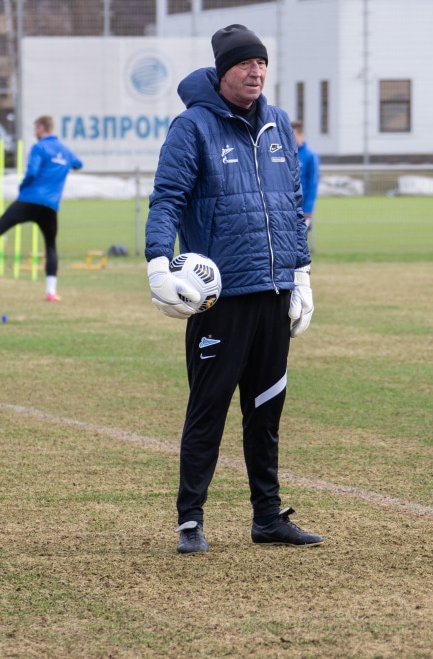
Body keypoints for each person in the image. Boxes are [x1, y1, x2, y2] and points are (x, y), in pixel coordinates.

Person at [145, 24, 321, 554]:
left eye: (262, 64)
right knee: (209, 408)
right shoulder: (192, 127)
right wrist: (158, 264)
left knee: (266, 410)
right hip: (220, 299)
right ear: (223, 71)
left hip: (274, 290)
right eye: (246, 64)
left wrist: (302, 272)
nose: (256, 72)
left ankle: (268, 517)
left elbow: (291, 205)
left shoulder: (277, 124)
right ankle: (190, 521)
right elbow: (167, 198)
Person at [0, 115, 82, 301]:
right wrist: (63, 164)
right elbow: (78, 164)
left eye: (35, 129)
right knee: (50, 245)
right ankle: (51, 292)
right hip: (50, 206)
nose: (34, 133)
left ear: (42, 128)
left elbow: (32, 172)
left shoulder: (39, 147)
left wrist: (23, 185)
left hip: (29, 199)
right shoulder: (65, 151)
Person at [291, 120, 320, 248]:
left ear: (301, 135)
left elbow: (313, 183)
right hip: (285, 204)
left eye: (293, 134)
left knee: (299, 241)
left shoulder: (310, 155)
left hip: (301, 205)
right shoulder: (284, 152)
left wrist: (308, 208)